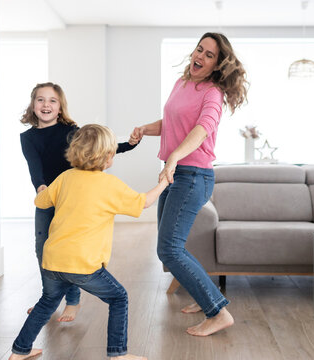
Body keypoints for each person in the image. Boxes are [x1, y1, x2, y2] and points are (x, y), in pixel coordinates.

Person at [9, 124, 166, 360]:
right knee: (118, 297)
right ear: (108, 157)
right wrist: (164, 182)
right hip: (83, 265)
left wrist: (43, 187)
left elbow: (41, 202)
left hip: (53, 262)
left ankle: (19, 351)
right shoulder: (109, 184)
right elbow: (143, 202)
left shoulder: (64, 177)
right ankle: (118, 354)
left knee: (47, 302)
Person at [129, 32, 248, 337]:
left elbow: (202, 129)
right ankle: (204, 295)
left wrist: (174, 158)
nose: (201, 56)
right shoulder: (182, 84)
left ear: (218, 65)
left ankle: (217, 312)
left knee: (169, 249)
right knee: (171, 247)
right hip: (176, 173)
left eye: (210, 55)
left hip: (193, 176)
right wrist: (145, 128)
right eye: (200, 50)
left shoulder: (212, 93)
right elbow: (171, 123)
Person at [20, 82, 138, 322]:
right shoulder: (27, 137)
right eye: (40, 100)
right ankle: (49, 300)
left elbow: (100, 147)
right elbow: (35, 168)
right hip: (48, 196)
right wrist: (41, 188)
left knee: (69, 250)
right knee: (43, 248)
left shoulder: (72, 131)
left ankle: (73, 301)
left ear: (60, 106)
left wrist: (131, 144)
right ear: (33, 105)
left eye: (52, 100)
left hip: (74, 199)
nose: (46, 105)